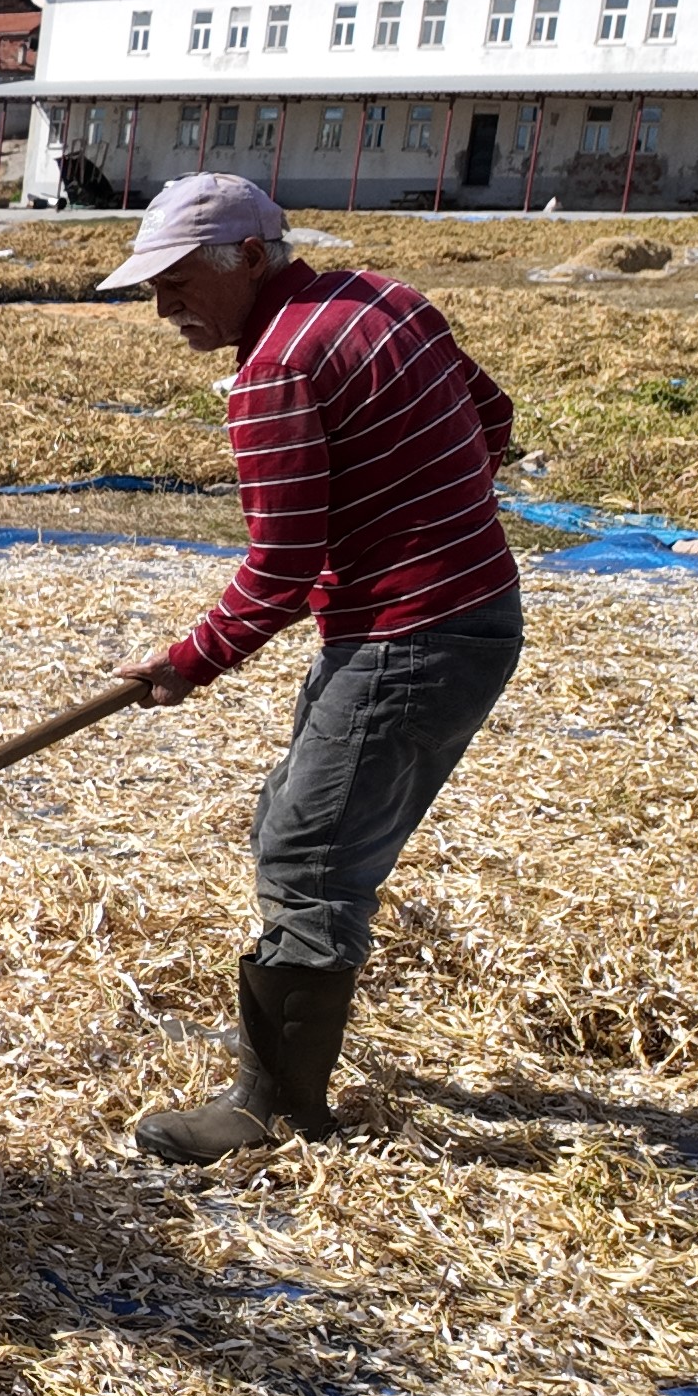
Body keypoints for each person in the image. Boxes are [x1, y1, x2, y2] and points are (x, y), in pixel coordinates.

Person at [97, 175, 523, 1165]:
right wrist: (414, 519)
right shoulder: (385, 300)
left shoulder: (275, 373)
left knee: (309, 861)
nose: (164, 310)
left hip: (409, 634)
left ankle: (273, 1110)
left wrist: (187, 663)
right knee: (300, 811)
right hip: (477, 613)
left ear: (249, 257)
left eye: (175, 284)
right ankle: (286, 1065)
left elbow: (282, 567)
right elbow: (490, 420)